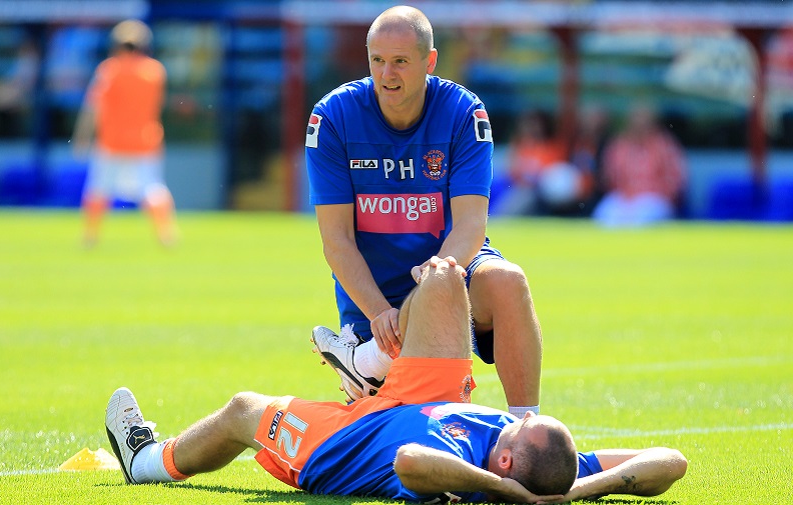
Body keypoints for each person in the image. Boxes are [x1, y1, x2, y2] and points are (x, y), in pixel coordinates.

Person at [105, 257, 687, 502]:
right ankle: (369, 367)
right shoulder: (551, 468)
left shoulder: (455, 464)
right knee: (442, 279)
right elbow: (671, 460)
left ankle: (148, 460)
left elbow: (409, 459)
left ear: (504, 464)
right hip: (424, 398)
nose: (517, 420)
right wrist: (567, 492)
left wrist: (508, 493)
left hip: (346, 440)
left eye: (515, 431)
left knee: (241, 409)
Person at [305, 5, 542, 419]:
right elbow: (336, 241)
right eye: (377, 61)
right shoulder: (333, 117)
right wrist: (380, 312)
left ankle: (528, 430)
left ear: (429, 61)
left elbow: (470, 225)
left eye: (400, 62)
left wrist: (436, 279)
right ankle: (372, 358)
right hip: (374, 302)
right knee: (416, 431)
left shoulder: (464, 113)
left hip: (448, 270)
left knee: (507, 280)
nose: (386, 75)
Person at [71, 19, 177, 247]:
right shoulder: (155, 71)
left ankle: (90, 236)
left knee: (99, 189)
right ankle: (166, 234)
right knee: (153, 189)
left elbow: (93, 107)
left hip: (112, 142)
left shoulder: (109, 70)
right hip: (146, 141)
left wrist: (82, 137)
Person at [592, 103, 686, 227]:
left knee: (640, 217)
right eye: (635, 119)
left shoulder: (665, 145)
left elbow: (675, 182)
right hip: (624, 198)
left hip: (654, 199)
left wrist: (646, 193)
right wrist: (627, 195)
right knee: (604, 214)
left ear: (653, 122)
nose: (639, 124)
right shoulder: (619, 144)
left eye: (643, 120)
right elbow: (609, 178)